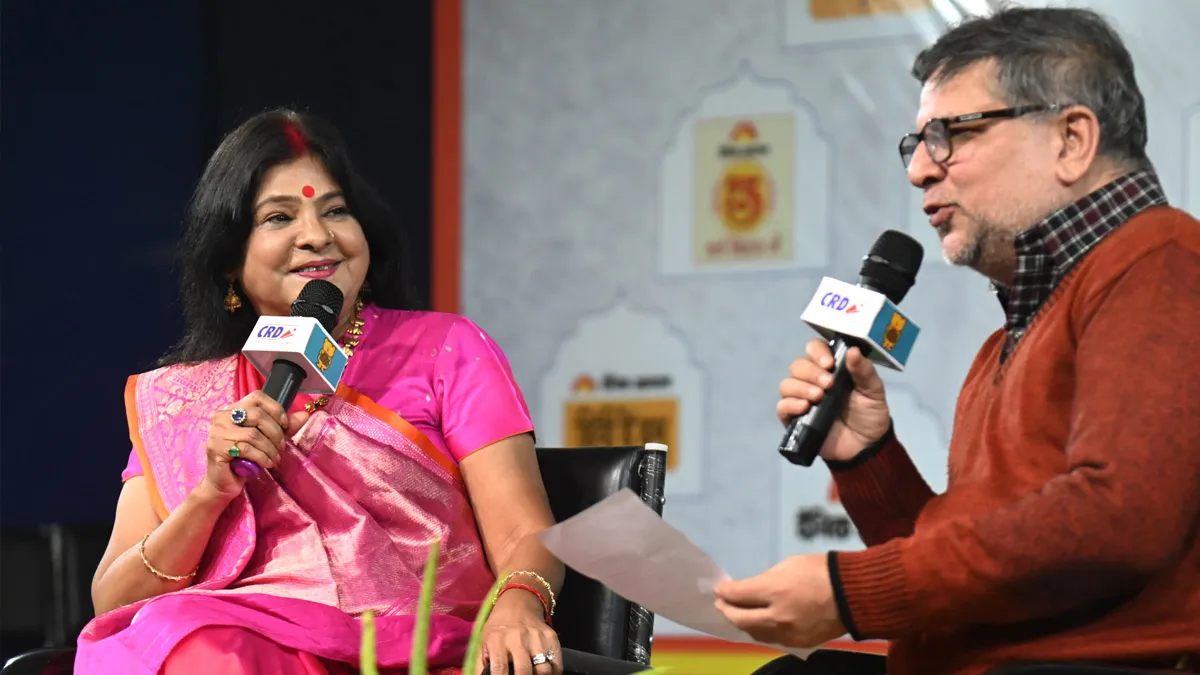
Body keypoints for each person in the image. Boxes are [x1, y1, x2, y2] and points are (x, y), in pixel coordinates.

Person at [713, 7, 1200, 675]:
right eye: (916, 143)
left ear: (1071, 139)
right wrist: (868, 457)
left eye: (952, 134)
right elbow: (960, 584)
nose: (920, 170)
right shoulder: (1005, 341)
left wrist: (850, 592)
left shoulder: (1160, 259)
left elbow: (1118, 518)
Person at [79, 108, 566, 675]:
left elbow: (525, 531)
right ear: (230, 261)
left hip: (415, 651)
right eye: (279, 217)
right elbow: (114, 602)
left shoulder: (445, 349)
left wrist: (517, 609)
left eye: (335, 210)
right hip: (237, 643)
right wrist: (210, 494)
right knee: (187, 639)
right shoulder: (182, 401)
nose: (317, 236)